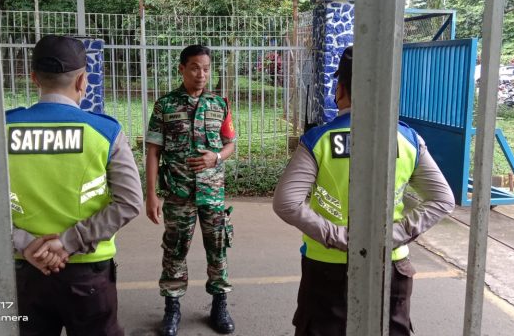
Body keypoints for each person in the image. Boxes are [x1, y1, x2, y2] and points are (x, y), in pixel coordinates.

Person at [272, 46, 455, 336]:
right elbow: (442, 200)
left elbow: (287, 203)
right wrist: (389, 237)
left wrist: (340, 237)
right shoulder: (407, 139)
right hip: (389, 266)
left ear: (340, 89)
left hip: (326, 265)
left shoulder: (319, 140)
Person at [7, 35, 144, 336]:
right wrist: (69, 241)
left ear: (34, 78)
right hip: (87, 273)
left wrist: (27, 242)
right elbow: (130, 202)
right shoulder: (105, 131)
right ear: (83, 80)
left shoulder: (4, 128)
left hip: (26, 270)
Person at [145, 45, 237, 336]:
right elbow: (152, 151)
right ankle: (172, 309)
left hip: (212, 193)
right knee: (174, 251)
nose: (202, 74)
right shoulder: (165, 105)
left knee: (218, 249)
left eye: (207, 69)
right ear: (182, 69)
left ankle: (219, 306)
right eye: (195, 67)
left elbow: (231, 144)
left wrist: (217, 157)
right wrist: (151, 194)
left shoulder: (219, 104)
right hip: (177, 193)